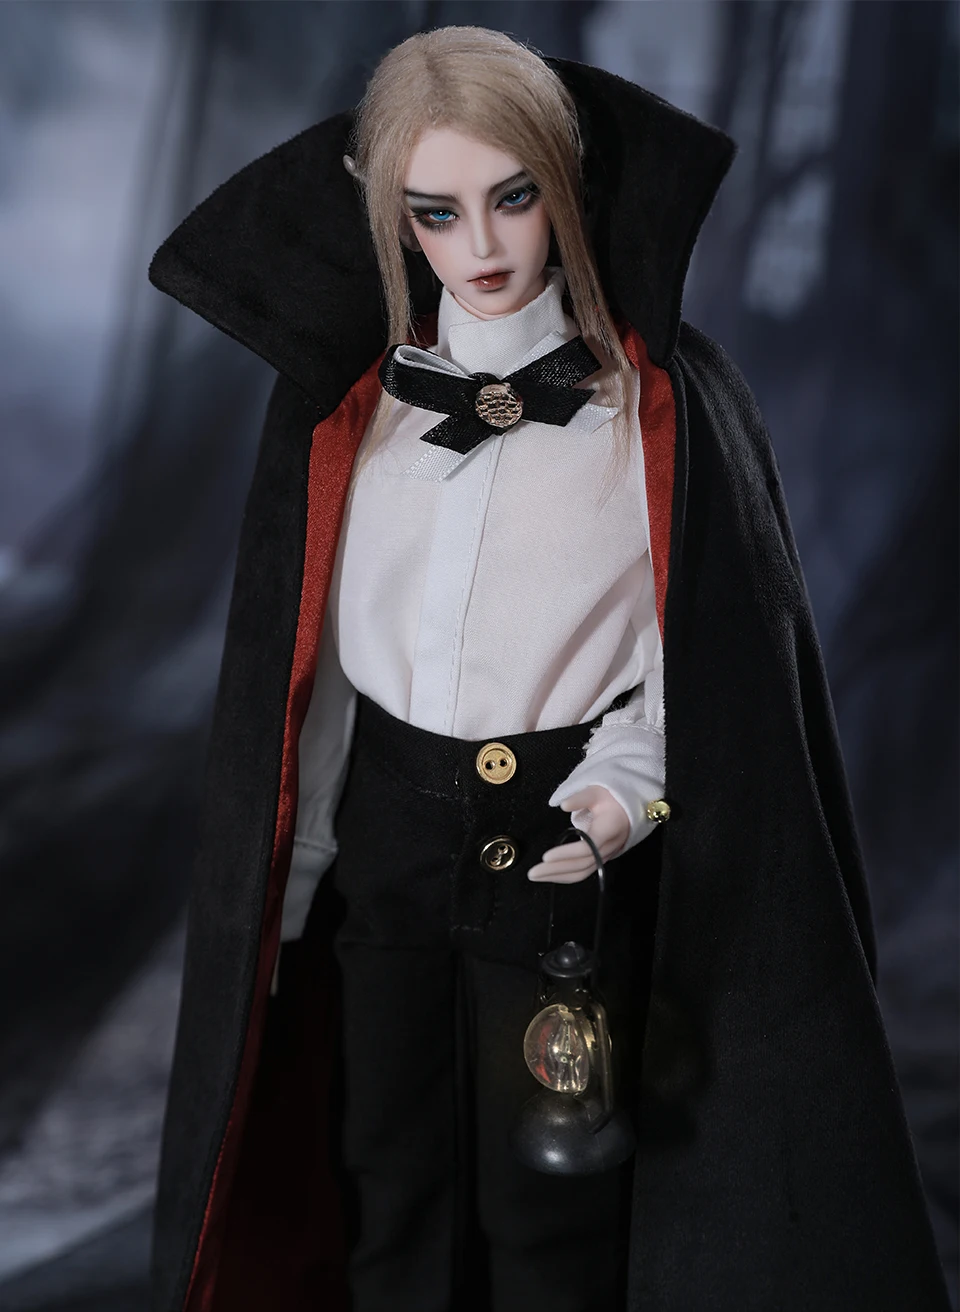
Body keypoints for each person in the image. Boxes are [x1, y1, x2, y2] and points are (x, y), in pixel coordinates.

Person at [147, 26, 949, 1312]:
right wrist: (285, 890)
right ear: (393, 217)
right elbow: (315, 681)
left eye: (513, 196)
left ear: (565, 184)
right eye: (437, 211)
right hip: (385, 862)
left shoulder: (656, 413)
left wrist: (623, 796)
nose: (482, 243)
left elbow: (697, 682)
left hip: (559, 865)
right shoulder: (354, 416)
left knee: (552, 1204)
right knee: (384, 1173)